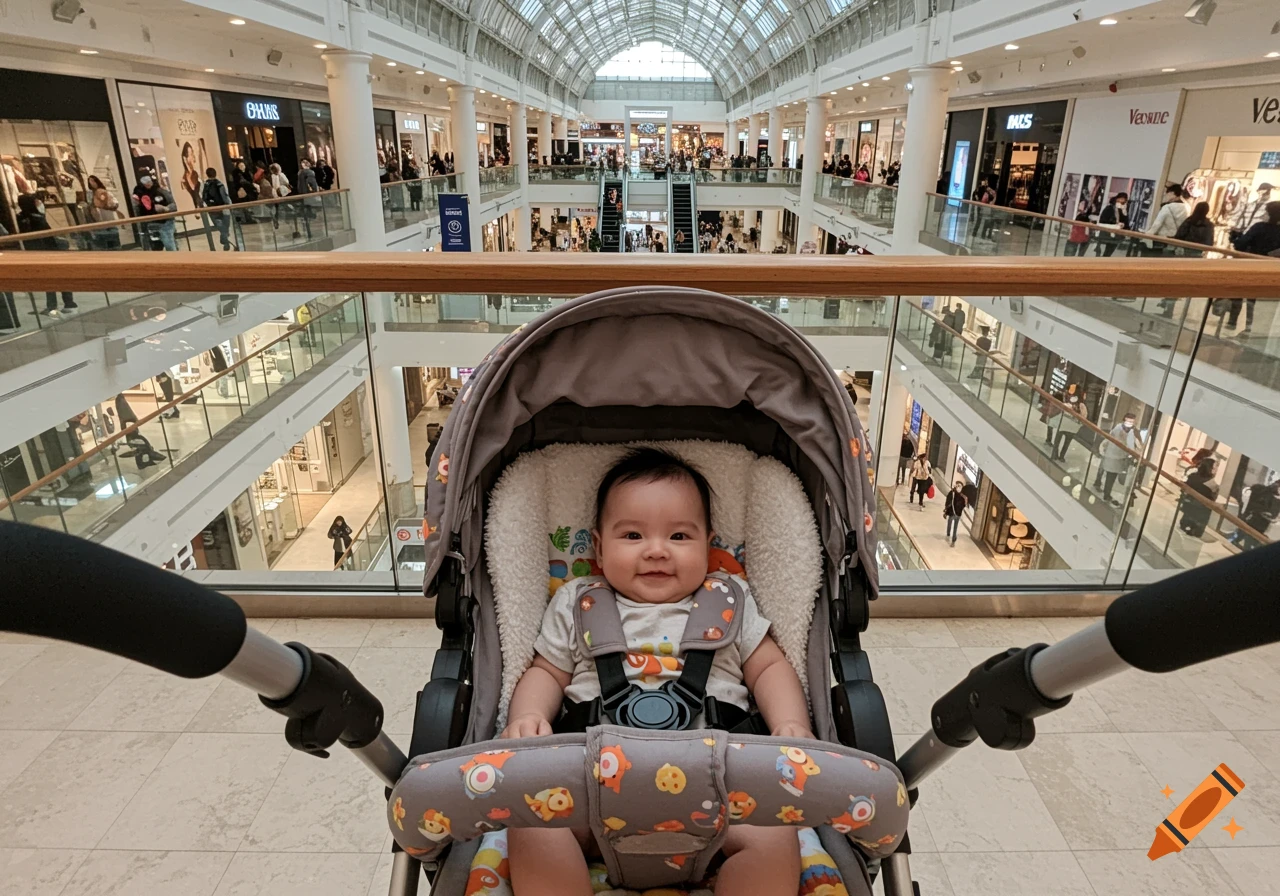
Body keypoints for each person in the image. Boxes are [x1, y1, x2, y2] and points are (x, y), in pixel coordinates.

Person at [502, 449, 807, 896]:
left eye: (680, 536)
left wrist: (789, 724)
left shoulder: (728, 598)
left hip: (722, 792)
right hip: (590, 794)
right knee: (531, 826)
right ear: (599, 547)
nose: (657, 550)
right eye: (632, 535)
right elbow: (548, 671)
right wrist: (527, 717)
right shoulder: (578, 600)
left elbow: (769, 666)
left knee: (776, 838)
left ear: (710, 544)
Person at [15, 194, 77, 315]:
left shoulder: (31, 218)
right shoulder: (34, 216)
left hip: (45, 252)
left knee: (52, 278)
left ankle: (64, 304)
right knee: (51, 279)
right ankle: (59, 304)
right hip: (45, 251)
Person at [1227, 200, 1280, 336]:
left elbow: (1241, 245)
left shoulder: (1259, 227)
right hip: (1272, 271)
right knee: (1257, 300)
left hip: (1251, 266)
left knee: (1240, 293)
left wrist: (1235, 238)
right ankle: (1251, 327)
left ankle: (1232, 321)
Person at [1094, 412, 1143, 505]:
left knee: (1110, 475)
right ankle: (1105, 492)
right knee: (1110, 474)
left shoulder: (1133, 431)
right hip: (1113, 455)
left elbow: (1136, 444)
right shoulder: (1118, 428)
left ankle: (1104, 490)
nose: (1129, 423)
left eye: (1132, 421)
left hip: (1119, 457)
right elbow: (1110, 439)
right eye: (1128, 421)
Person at [132, 171, 178, 250]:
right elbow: (138, 211)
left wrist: (166, 209)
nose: (148, 183)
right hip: (149, 224)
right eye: (145, 181)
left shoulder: (162, 191)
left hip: (166, 223)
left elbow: (174, 206)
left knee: (169, 245)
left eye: (149, 180)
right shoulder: (139, 193)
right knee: (155, 248)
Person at [1230, 479, 1280, 551]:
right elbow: (1253, 504)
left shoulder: (1275, 499)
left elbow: (1274, 515)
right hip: (1252, 519)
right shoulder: (1261, 491)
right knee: (1245, 538)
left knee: (1250, 541)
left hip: (1262, 524)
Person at [1177, 458, 1218, 538]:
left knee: (1183, 528)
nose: (1216, 470)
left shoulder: (1192, 477)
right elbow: (1212, 499)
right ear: (1210, 468)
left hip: (1188, 508)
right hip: (1200, 515)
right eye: (1215, 467)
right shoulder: (1212, 484)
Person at [1144, 183, 1188, 255]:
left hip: (1162, 240)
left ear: (1172, 193)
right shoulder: (1185, 208)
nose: (1166, 196)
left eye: (1167, 193)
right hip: (1174, 241)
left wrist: (1146, 237)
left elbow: (1157, 224)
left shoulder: (1167, 207)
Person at [200, 167, 235, 251]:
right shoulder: (219, 184)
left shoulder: (205, 185)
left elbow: (203, 197)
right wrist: (229, 205)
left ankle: (224, 238)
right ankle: (224, 238)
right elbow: (225, 196)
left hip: (212, 209)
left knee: (219, 225)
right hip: (223, 208)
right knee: (226, 225)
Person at [86, 174, 124, 250]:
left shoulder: (104, 191)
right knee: (103, 241)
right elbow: (92, 205)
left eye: (93, 181)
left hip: (108, 216)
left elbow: (110, 203)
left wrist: (104, 205)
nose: (92, 183)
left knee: (114, 238)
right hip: (99, 219)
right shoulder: (90, 193)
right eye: (90, 182)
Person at [1094, 192, 1128, 257]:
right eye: (1121, 200)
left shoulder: (1121, 210)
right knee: (1103, 253)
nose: (1122, 203)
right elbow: (1103, 220)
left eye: (1124, 201)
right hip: (1106, 234)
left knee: (1108, 253)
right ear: (1117, 199)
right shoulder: (1109, 208)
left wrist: (1124, 214)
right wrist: (1115, 224)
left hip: (1115, 237)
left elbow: (1126, 223)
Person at [1054, 394, 1084, 462]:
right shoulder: (1082, 406)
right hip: (1072, 427)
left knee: (1057, 441)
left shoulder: (1066, 404)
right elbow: (1084, 417)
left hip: (1063, 424)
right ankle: (1061, 457)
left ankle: (1055, 455)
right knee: (1066, 443)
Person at [943, 482, 967, 546]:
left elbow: (948, 503)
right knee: (954, 527)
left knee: (951, 524)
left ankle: (949, 535)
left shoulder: (952, 494)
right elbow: (964, 505)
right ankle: (952, 539)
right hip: (957, 514)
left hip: (953, 513)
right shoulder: (962, 496)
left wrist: (946, 511)